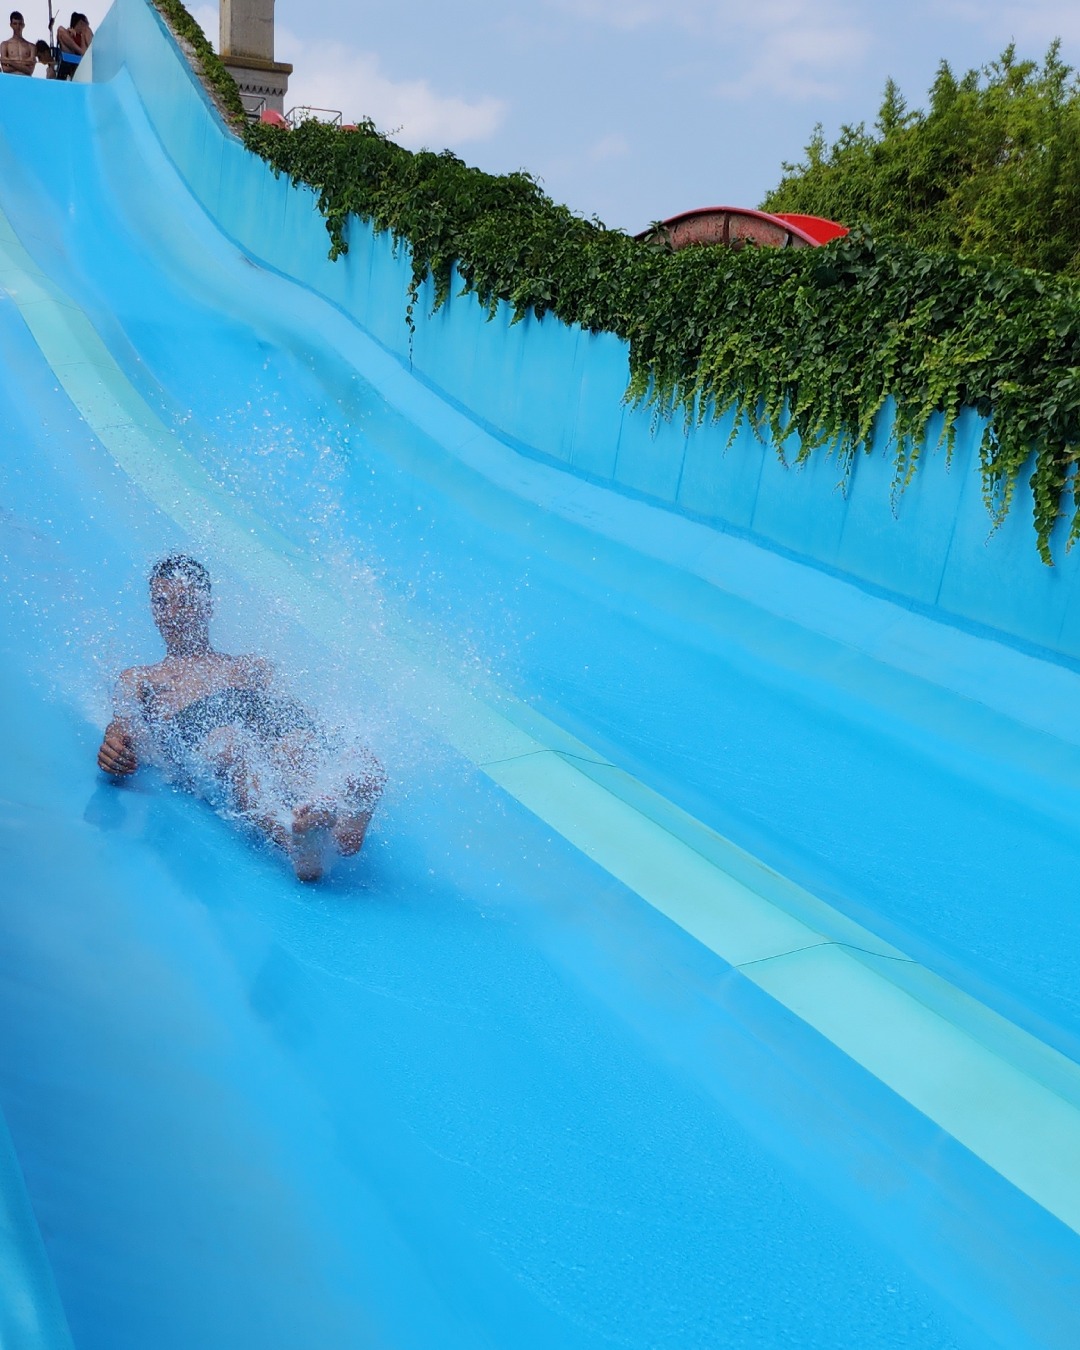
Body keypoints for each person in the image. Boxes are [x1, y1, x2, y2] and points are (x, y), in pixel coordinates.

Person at [97, 554, 385, 882]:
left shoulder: (251, 667)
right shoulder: (142, 679)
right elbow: (122, 725)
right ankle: (296, 840)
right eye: (162, 603)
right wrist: (114, 747)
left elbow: (297, 715)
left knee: (294, 745)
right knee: (234, 747)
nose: (173, 615)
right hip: (202, 730)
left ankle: (340, 826)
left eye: (185, 602)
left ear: (208, 607)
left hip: (258, 716)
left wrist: (333, 743)